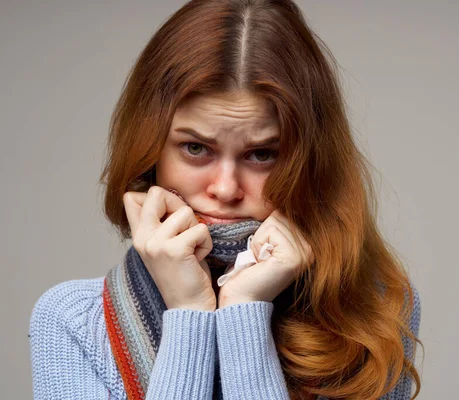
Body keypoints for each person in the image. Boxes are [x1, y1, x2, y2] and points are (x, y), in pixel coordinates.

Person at [29, 1, 422, 399]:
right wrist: (189, 313)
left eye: (262, 154)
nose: (225, 188)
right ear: (149, 150)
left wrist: (244, 313)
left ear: (309, 163)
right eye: (196, 148)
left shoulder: (374, 313)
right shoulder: (73, 322)